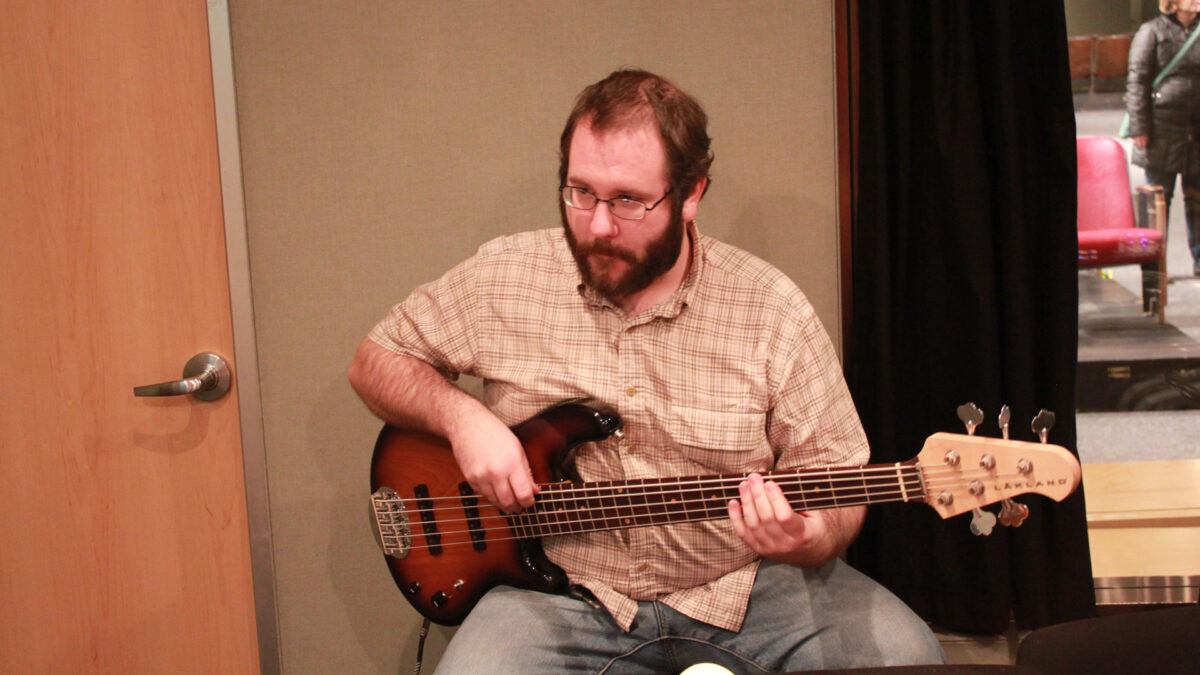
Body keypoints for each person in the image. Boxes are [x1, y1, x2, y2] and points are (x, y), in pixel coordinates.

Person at [348, 69, 943, 673]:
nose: (599, 225)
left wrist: (808, 539)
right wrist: (462, 418)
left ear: (691, 195)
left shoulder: (771, 308)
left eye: (628, 200)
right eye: (580, 192)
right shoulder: (505, 275)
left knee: (906, 656)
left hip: (746, 587)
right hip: (564, 594)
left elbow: (834, 475)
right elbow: (374, 361)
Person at [1127, 0, 1200, 275]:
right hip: (1161, 130)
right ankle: (1154, 267)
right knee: (1158, 201)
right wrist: (1139, 127)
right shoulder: (1151, 31)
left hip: (1196, 130)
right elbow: (1137, 80)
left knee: (1197, 199)